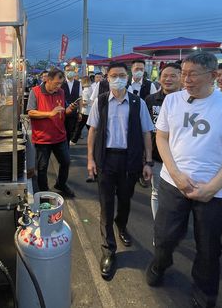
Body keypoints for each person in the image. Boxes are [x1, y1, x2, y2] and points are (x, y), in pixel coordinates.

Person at [146, 52, 222, 308]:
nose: (186, 79)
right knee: (165, 235)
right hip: (173, 183)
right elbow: (162, 138)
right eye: (184, 73)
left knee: (208, 246)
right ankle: (161, 262)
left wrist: (212, 188)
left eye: (193, 74)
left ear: (213, 76)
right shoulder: (172, 101)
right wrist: (177, 174)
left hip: (215, 190)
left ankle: (205, 294)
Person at [87, 62, 154, 280]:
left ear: (128, 77)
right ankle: (108, 249)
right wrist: (90, 159)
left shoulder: (138, 103)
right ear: (107, 77)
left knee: (125, 200)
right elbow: (93, 131)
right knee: (106, 204)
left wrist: (148, 161)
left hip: (130, 160)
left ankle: (121, 225)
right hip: (106, 159)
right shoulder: (101, 102)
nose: (118, 78)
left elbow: (146, 133)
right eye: (114, 75)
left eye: (122, 75)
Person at [27, 68, 77, 198]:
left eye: (60, 83)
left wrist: (69, 109)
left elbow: (62, 110)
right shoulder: (35, 91)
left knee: (65, 162)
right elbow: (31, 112)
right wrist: (50, 113)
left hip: (60, 135)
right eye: (56, 83)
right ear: (48, 80)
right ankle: (44, 193)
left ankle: (61, 184)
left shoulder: (60, 92)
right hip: (43, 138)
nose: (59, 86)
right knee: (42, 168)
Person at [144, 62, 182, 218]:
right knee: (157, 192)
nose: (168, 79)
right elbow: (145, 130)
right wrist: (146, 159)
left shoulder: (188, 100)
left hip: (181, 157)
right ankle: (159, 230)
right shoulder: (151, 100)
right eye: (165, 76)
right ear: (159, 79)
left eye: (173, 76)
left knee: (179, 195)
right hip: (157, 157)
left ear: (181, 77)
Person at [61, 65, 81, 146]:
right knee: (61, 132)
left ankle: (66, 149)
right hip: (61, 111)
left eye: (71, 70)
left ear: (75, 71)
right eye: (68, 70)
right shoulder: (61, 82)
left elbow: (80, 98)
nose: (70, 72)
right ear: (64, 72)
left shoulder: (78, 83)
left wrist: (80, 112)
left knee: (69, 132)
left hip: (73, 112)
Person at [71, 76, 92, 145]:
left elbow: (85, 103)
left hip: (84, 112)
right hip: (89, 111)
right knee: (90, 127)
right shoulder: (91, 89)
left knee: (79, 127)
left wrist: (78, 103)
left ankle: (73, 141)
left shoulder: (85, 91)